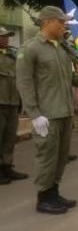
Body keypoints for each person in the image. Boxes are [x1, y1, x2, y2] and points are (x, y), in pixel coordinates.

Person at [16, 6, 78, 214]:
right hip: (46, 115)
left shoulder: (62, 48)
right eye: (61, 22)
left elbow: (71, 78)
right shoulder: (31, 48)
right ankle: (44, 197)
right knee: (47, 156)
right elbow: (24, 83)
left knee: (61, 156)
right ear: (47, 22)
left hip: (65, 111)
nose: (65, 25)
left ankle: (54, 192)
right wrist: (34, 114)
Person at [0, 27, 28, 185]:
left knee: (10, 137)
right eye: (3, 37)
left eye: (7, 37)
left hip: (12, 102)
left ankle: (7, 166)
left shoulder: (12, 56)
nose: (7, 39)